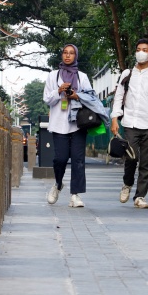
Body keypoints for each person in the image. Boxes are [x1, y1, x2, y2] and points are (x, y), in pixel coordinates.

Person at [110, 38, 148, 209]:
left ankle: (140, 196)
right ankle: (127, 184)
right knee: (132, 157)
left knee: (145, 162)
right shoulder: (127, 74)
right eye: (138, 49)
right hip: (130, 122)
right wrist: (115, 118)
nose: (140, 52)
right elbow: (118, 98)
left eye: (144, 50)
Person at [43, 44, 93, 208]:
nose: (68, 56)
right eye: (65, 52)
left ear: (76, 56)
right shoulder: (53, 76)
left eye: (71, 53)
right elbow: (47, 99)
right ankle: (57, 184)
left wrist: (76, 95)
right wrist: (59, 91)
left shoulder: (82, 77)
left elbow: (90, 97)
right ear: (61, 55)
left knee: (78, 160)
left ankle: (75, 195)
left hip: (78, 124)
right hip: (59, 124)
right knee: (60, 159)